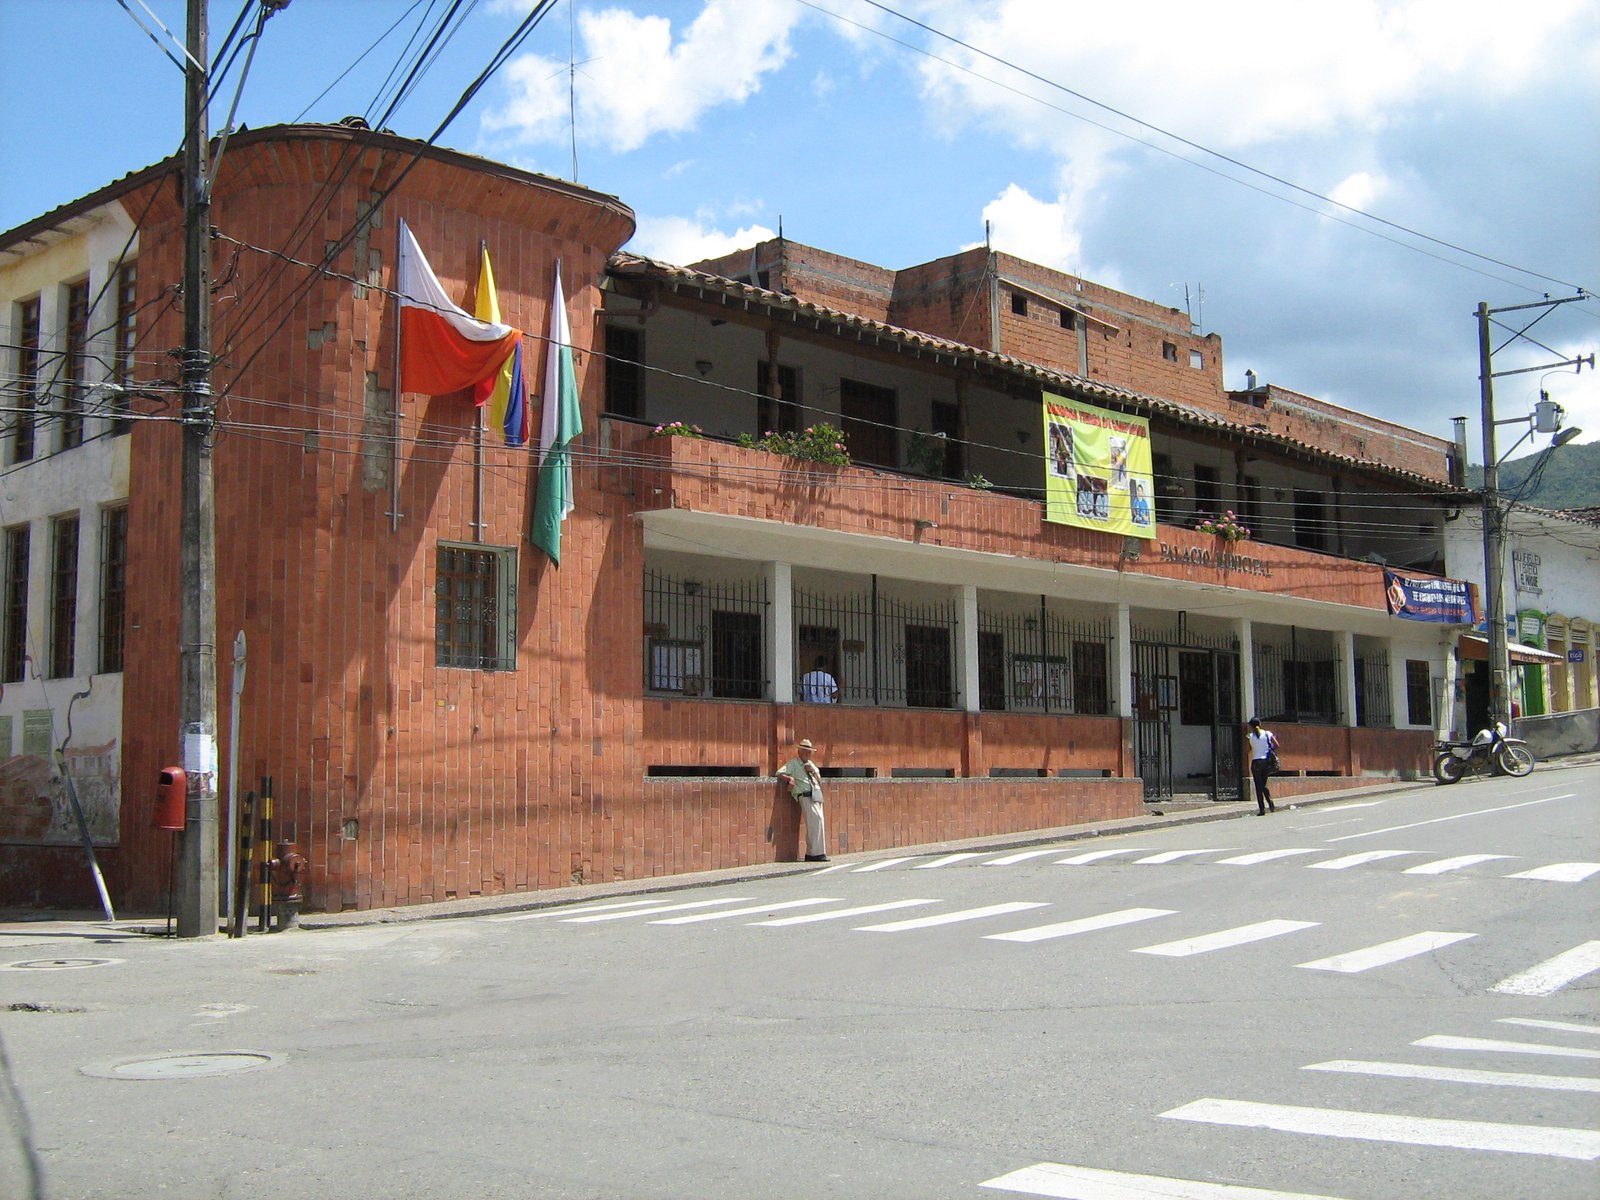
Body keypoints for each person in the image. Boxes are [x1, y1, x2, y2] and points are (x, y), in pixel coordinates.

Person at [776, 737, 828, 861]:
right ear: (799, 751)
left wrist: (813, 772)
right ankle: (816, 853)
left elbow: (820, 781)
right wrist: (790, 779)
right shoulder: (794, 763)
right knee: (816, 821)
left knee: (818, 822)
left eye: (809, 751)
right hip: (804, 795)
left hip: (815, 795)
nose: (807, 753)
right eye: (804, 751)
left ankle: (815, 852)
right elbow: (779, 772)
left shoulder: (811, 765)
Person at [1246, 717, 1279, 815]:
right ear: (1260, 724)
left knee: (1258, 786)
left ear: (1251, 726)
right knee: (1263, 784)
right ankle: (1270, 802)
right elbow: (1277, 745)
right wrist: (1269, 749)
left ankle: (1262, 809)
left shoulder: (1250, 736)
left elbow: (1248, 750)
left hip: (1256, 762)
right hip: (1266, 762)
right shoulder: (1268, 734)